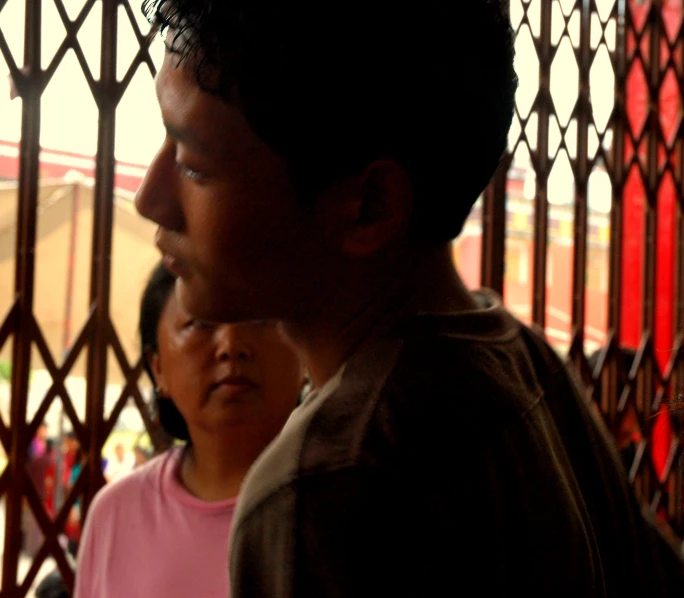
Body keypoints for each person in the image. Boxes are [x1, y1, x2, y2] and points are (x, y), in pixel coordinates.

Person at [135, 1, 684, 595]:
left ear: (369, 206)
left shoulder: (328, 485)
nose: (149, 198)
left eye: (193, 165)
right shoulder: (523, 364)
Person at [73, 262, 306, 597]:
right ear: (158, 368)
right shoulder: (115, 513)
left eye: (260, 318)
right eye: (201, 323)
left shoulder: (353, 506)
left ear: (303, 348)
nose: (231, 344)